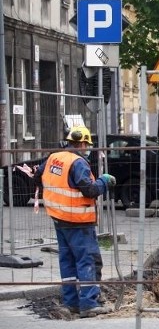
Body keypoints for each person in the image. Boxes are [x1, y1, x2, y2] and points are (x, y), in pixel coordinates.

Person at [34, 126, 117, 318]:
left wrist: (52, 196)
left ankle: (71, 302)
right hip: (78, 220)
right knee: (87, 259)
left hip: (59, 218)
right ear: (81, 143)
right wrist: (104, 182)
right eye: (86, 144)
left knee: (68, 260)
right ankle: (89, 303)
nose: (87, 148)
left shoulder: (54, 157)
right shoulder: (78, 162)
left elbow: (38, 176)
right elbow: (89, 190)